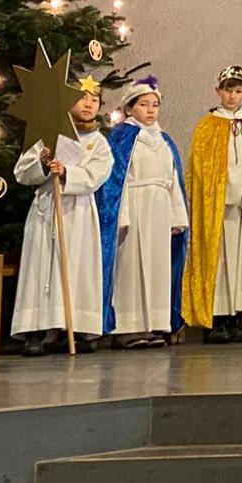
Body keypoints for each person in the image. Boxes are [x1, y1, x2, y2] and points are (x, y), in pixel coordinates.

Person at [10, 77, 114, 356]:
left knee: (76, 267)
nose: (89, 103)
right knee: (41, 267)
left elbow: (98, 173)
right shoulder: (48, 132)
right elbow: (22, 172)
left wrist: (68, 173)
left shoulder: (99, 143)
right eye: (83, 97)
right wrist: (43, 165)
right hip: (47, 209)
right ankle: (36, 328)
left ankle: (76, 327)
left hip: (78, 210)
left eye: (95, 99)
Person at [178, 66, 242, 344]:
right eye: (228, 90)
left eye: (238, 91)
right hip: (218, 207)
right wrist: (233, 182)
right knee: (219, 260)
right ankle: (216, 319)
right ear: (217, 91)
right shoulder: (208, 126)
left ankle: (235, 318)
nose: (232, 96)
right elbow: (202, 169)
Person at [97, 78, 189, 349]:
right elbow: (117, 180)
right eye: (143, 105)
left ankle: (152, 324)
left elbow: (173, 180)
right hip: (135, 207)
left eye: (155, 105)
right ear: (129, 108)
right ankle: (127, 326)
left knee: (156, 266)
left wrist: (177, 216)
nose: (150, 110)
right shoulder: (123, 138)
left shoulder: (164, 140)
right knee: (132, 266)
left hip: (159, 210)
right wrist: (120, 216)